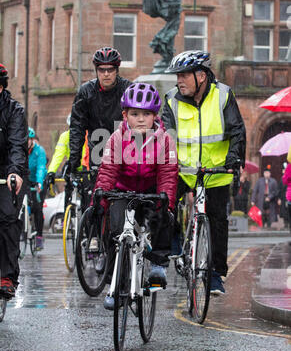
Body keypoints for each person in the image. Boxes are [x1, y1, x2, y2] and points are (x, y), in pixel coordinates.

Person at [162, 50, 246, 296]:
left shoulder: (223, 95)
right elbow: (166, 135)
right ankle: (175, 240)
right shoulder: (171, 99)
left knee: (218, 221)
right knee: (161, 204)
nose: (179, 80)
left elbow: (237, 131)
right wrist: (168, 162)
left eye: (184, 75)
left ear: (202, 76)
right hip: (183, 170)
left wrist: (233, 158)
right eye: (177, 76)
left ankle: (216, 275)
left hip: (216, 171)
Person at [94, 82, 178, 310]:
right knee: (115, 229)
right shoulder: (116, 138)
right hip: (123, 190)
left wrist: (165, 200)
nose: (141, 119)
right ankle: (115, 284)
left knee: (165, 217)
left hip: (151, 191)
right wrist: (101, 198)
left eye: (147, 114)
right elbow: (108, 169)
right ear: (125, 115)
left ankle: (158, 265)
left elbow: (168, 173)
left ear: (154, 116)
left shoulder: (164, 140)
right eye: (135, 114)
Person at [69, 47, 132, 187]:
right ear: (96, 71)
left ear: (117, 70)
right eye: (102, 70)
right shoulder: (86, 92)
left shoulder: (128, 90)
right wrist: (73, 162)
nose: (106, 74)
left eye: (110, 69)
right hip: (97, 153)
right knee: (96, 198)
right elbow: (76, 129)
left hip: (125, 152)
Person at [0, 63, 28, 299]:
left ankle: (7, 276)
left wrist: (15, 172)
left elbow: (17, 145)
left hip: (7, 171)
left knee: (7, 218)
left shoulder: (14, 111)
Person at [46, 114, 88, 209]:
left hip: (85, 168)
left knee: (87, 196)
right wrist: (51, 171)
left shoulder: (87, 136)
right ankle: (67, 212)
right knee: (68, 193)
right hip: (72, 166)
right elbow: (58, 155)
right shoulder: (65, 136)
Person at [28, 127, 47, 250]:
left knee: (37, 209)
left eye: (28, 140)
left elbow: (41, 167)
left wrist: (39, 182)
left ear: (32, 140)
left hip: (38, 182)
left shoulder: (39, 151)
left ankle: (39, 237)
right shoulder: (20, 150)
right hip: (26, 181)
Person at [278, 163, 288, 230]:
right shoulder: (281, 179)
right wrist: (279, 198)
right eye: (284, 170)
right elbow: (279, 189)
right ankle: (285, 224)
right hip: (283, 197)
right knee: (284, 211)